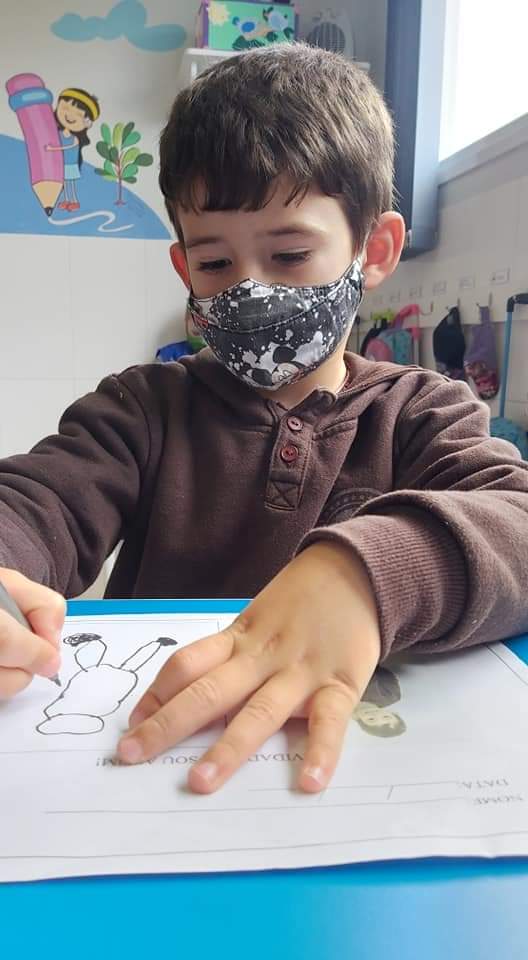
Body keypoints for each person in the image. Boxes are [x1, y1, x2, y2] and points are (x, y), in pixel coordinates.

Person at [1, 44, 527, 796]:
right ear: (185, 269)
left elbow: (517, 520)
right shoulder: (140, 409)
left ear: (374, 250)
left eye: (289, 254)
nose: (249, 291)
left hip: (348, 767)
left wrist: (367, 573)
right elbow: (36, 501)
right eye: (216, 265)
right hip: (154, 758)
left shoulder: (421, 411)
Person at [46, 87, 100, 211]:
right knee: (64, 182)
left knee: (70, 183)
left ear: (86, 122)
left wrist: (53, 149)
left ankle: (74, 200)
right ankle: (66, 200)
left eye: (79, 114)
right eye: (65, 108)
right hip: (61, 164)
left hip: (70, 164)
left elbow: (68, 147)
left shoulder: (75, 138)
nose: (70, 115)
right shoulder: (58, 133)